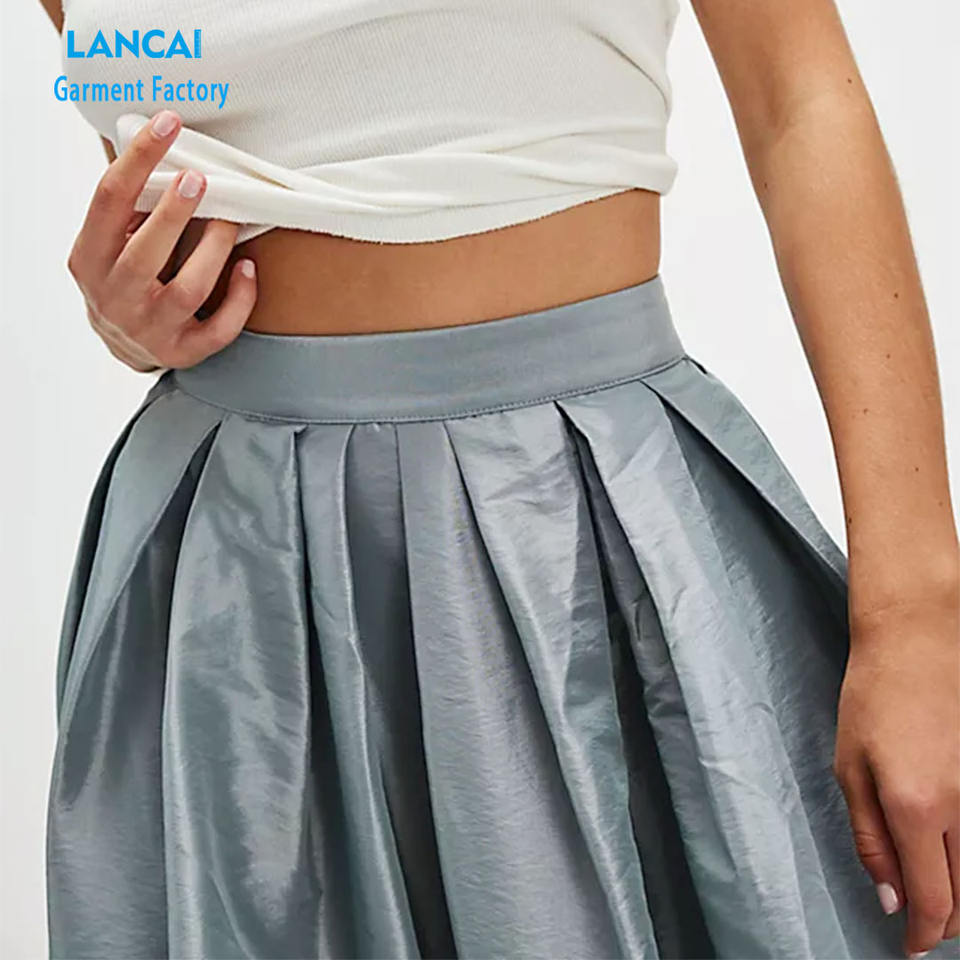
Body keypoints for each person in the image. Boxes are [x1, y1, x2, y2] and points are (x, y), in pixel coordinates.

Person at [40, 1, 959, 958]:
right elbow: (161, 132)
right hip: (232, 575)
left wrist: (916, 614)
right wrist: (128, 310)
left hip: (581, 531)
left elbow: (799, 102)